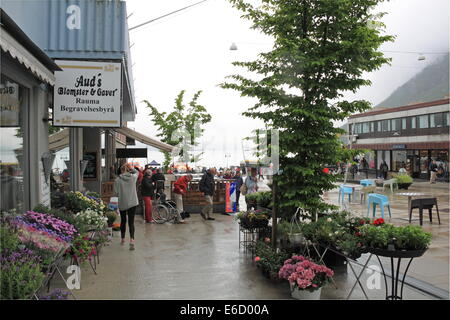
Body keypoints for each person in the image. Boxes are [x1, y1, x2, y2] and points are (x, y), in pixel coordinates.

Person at [114, 164, 139, 250]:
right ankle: (132, 240)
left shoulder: (117, 180)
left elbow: (116, 192)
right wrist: (131, 169)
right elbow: (137, 172)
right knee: (131, 222)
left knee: (123, 221)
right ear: (129, 170)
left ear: (121, 171)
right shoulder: (133, 178)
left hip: (123, 203)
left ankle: (123, 239)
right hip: (133, 202)